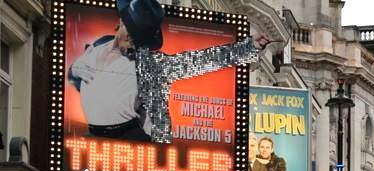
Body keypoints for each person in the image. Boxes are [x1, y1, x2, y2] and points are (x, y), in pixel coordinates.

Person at [68, 0, 270, 143]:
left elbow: (200, 61)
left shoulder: (150, 65)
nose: (135, 40)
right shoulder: (97, 45)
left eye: (141, 36)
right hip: (92, 137)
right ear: (121, 22)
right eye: (132, 30)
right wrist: (76, 73)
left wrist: (247, 49)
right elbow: (76, 76)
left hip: (129, 141)